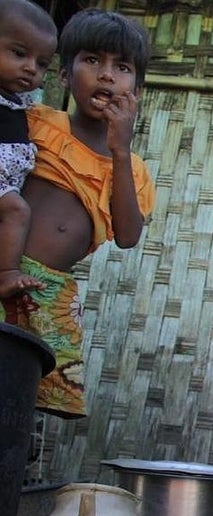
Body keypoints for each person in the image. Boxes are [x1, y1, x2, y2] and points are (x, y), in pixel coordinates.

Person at [1, 8, 154, 418]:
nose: (107, 76)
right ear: (65, 76)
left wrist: (120, 149)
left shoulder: (133, 169)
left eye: (121, 68)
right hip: (4, 266)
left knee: (24, 393)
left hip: (49, 290)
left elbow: (127, 235)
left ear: (136, 89)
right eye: (92, 61)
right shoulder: (36, 123)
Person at [0, 0, 56, 300]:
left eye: (42, 63)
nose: (30, 68)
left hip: (7, 183)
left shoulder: (27, 106)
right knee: (17, 210)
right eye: (19, 54)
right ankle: (7, 274)